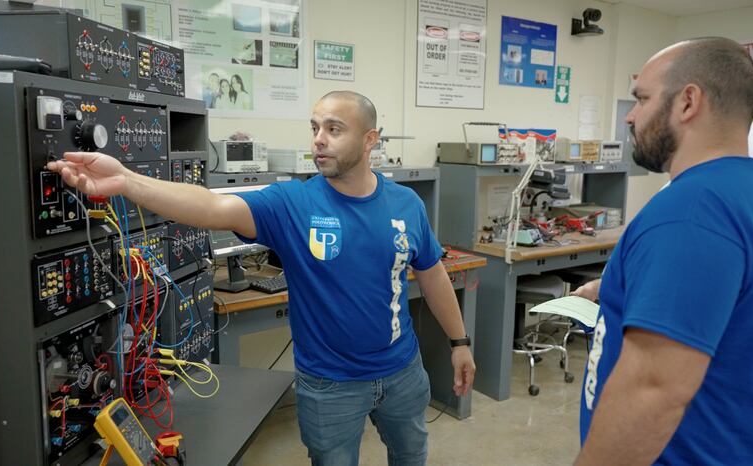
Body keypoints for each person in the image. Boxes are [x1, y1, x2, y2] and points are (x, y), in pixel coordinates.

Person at [47, 91, 476, 466]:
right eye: (315, 128)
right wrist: (126, 180)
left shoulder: (406, 204)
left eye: (334, 129)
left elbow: (432, 273)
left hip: (402, 371)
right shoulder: (293, 203)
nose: (319, 139)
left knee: (411, 455)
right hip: (329, 384)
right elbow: (212, 207)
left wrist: (459, 343)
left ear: (369, 140)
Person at [575, 37, 753, 465]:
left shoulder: (691, 210)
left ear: (688, 102)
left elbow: (653, 391)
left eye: (642, 99)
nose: (630, 116)